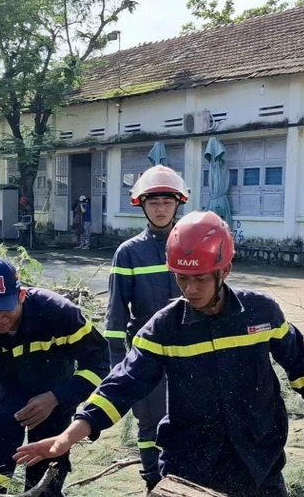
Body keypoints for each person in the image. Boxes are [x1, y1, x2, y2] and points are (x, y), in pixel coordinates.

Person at [16, 211, 304, 497]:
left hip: (259, 460)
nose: (190, 289)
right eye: (182, 278)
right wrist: (67, 437)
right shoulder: (164, 329)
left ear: (225, 270)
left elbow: (299, 365)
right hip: (191, 466)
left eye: (200, 279)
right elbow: (121, 387)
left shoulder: (261, 314)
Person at [0, 257, 109, 496]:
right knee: (5, 425)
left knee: (48, 462)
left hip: (56, 390)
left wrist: (57, 397)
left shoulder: (58, 314)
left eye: (4, 309)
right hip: (4, 387)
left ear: (20, 295)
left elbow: (100, 364)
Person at [103, 164, 188, 489]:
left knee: (190, 417)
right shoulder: (129, 253)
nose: (161, 208)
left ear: (178, 203)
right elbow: (115, 315)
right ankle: (154, 484)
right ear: (142, 205)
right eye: (154, 202)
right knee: (150, 423)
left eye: (167, 202)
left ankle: (184, 481)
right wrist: (117, 365)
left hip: (191, 351)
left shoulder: (190, 242)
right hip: (147, 354)